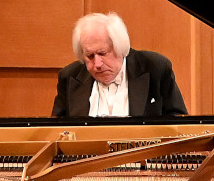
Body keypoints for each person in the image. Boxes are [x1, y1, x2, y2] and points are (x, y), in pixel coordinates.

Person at [52, 12, 187, 118]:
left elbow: (178, 123)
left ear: (120, 47)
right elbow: (56, 131)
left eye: (102, 53)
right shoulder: (69, 76)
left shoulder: (155, 68)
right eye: (90, 56)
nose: (97, 64)